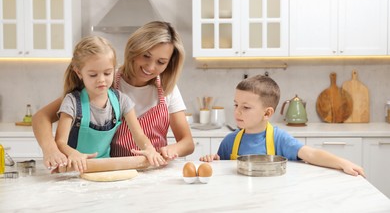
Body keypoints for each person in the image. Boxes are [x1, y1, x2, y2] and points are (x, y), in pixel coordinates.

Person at [32, 21, 194, 171]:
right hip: (114, 171)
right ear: (134, 49)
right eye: (146, 56)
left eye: (161, 62)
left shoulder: (167, 89)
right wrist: (52, 150)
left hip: (154, 170)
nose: (150, 67)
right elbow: (41, 117)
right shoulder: (104, 81)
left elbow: (187, 143)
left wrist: (169, 150)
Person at [199, 75, 365, 177]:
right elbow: (221, 172)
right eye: (236, 105)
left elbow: (312, 154)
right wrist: (211, 161)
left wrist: (342, 163)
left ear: (267, 113)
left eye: (246, 107)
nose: (237, 112)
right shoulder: (229, 141)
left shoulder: (280, 139)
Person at [55, 36, 164, 172]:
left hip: (105, 169)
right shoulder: (71, 102)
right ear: (79, 72)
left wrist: (149, 148)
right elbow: (60, 142)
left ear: (114, 69)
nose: (101, 80)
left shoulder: (122, 101)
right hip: (73, 170)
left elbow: (139, 135)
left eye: (107, 73)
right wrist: (72, 153)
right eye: (93, 75)